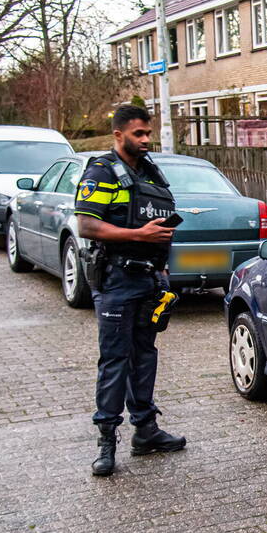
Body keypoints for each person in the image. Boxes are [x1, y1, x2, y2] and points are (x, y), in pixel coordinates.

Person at [75, 105, 186, 477]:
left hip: (149, 279)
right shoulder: (101, 172)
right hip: (117, 280)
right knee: (115, 359)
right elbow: (87, 225)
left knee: (145, 355)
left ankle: (146, 430)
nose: (146, 139)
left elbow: (161, 226)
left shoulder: (150, 171)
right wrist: (139, 235)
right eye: (139, 134)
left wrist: (162, 269)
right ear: (118, 134)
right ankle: (106, 442)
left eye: (148, 133)